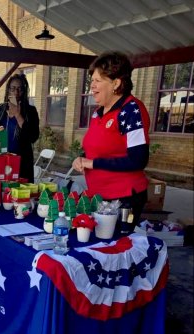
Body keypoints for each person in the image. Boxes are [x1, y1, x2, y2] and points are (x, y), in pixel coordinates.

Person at [71, 51, 150, 225]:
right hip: (99, 196)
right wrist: (82, 159)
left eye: (98, 81)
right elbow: (95, 149)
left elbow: (138, 159)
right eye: (91, 80)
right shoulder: (98, 113)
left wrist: (93, 163)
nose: (92, 86)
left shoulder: (131, 110)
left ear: (116, 83)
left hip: (123, 199)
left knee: (114, 247)